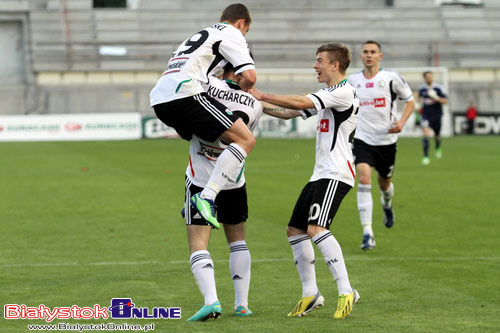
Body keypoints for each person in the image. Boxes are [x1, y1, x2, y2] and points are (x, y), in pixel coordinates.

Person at [251, 43, 360, 320]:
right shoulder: (329, 95)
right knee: (295, 230)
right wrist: (257, 104)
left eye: (319, 60)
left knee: (316, 227)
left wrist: (261, 93)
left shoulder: (342, 91)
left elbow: (300, 102)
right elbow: (291, 112)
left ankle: (347, 291)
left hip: (336, 173)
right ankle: (311, 293)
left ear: (335, 65)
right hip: (320, 174)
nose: (315, 65)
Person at [150, 3, 257, 229]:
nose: (244, 36)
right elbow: (249, 76)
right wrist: (247, 89)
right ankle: (206, 197)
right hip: (186, 93)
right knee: (245, 139)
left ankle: (194, 197)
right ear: (242, 23)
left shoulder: (202, 33)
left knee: (207, 139)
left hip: (160, 100)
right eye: (246, 31)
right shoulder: (232, 32)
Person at [183, 64, 262, 321]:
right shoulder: (254, 102)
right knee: (237, 239)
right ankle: (242, 304)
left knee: (198, 242)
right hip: (233, 178)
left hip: (201, 179)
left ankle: (211, 302)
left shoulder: (205, 88)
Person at [347, 40, 415, 250]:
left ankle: (387, 204)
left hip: (386, 141)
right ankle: (368, 232)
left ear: (380, 56)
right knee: (364, 179)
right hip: (362, 139)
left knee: (384, 184)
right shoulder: (352, 80)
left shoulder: (391, 78)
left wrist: (401, 123)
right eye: (365, 52)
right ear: (361, 56)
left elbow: (411, 101)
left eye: (373, 52)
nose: (369, 55)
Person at [418, 71, 448, 165]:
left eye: (431, 76)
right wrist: (417, 105)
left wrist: (437, 98)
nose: (429, 78)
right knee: (426, 135)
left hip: (437, 115)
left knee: (437, 135)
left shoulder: (439, 88)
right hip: (426, 115)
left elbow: (446, 101)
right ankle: (426, 157)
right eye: (427, 77)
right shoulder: (422, 89)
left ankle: (438, 147)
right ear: (425, 78)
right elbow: (418, 99)